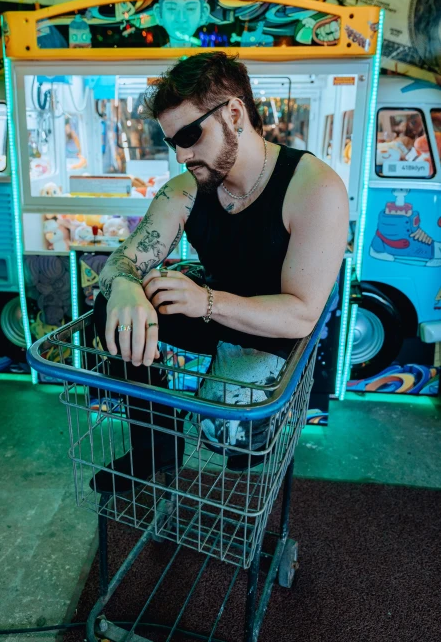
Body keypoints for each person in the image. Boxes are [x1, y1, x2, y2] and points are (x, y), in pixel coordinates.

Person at [91, 52, 348, 493]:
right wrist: (126, 289)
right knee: (109, 309)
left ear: (233, 113)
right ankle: (155, 445)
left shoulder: (314, 187)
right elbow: (124, 259)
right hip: (213, 312)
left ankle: (240, 431)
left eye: (190, 135)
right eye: (173, 141)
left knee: (229, 442)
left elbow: (302, 313)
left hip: (273, 331)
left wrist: (204, 300)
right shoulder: (188, 189)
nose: (181, 155)